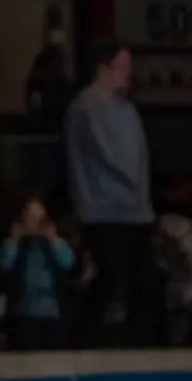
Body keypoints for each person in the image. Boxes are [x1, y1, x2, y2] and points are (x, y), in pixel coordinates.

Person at [64, 40, 158, 347]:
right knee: (110, 278)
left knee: (143, 282)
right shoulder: (85, 107)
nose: (128, 74)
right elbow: (113, 157)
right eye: (123, 66)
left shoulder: (127, 109)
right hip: (103, 210)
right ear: (104, 69)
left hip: (135, 210)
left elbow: (139, 159)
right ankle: (82, 339)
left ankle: (141, 346)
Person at [0, 196, 76, 351]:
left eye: (39, 219)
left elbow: (68, 263)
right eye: (30, 218)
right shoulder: (18, 244)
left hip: (53, 312)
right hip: (23, 312)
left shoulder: (53, 243)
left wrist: (53, 239)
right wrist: (14, 239)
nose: (35, 223)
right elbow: (4, 264)